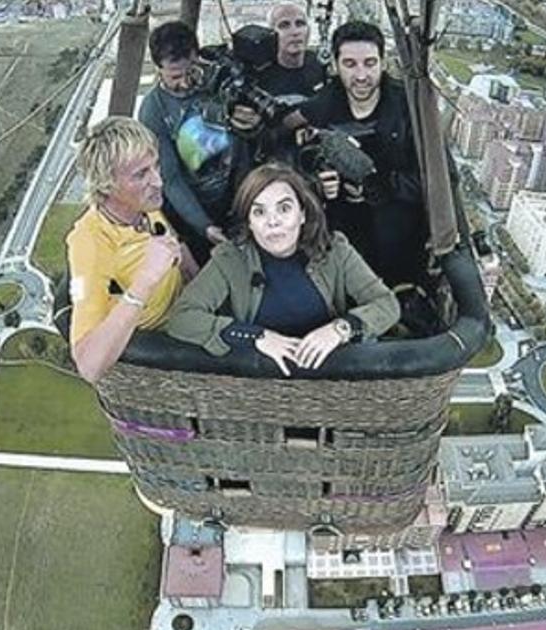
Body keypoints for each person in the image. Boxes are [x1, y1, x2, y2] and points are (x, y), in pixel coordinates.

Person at [165, 163, 399, 376]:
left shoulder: (335, 250)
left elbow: (387, 304)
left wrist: (340, 330)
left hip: (330, 377)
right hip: (262, 384)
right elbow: (182, 318)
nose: (273, 221)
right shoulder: (230, 258)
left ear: (302, 214)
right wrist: (255, 337)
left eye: (284, 209)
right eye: (259, 212)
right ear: (249, 222)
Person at [287, 20, 428, 289]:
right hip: (341, 234)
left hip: (398, 237)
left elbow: (436, 182)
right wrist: (318, 182)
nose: (361, 75)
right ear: (336, 66)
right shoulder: (323, 106)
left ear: (383, 63)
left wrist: (382, 186)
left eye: (370, 63)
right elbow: (295, 147)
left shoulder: (409, 110)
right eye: (350, 64)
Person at [65, 117, 196, 383]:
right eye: (140, 174)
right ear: (106, 185)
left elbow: (175, 247)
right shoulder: (90, 243)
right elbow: (88, 365)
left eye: (155, 166)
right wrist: (146, 279)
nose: (158, 181)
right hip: (163, 340)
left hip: (190, 307)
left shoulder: (142, 206)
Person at [138, 21, 255, 265]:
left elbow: (242, 146)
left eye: (190, 71)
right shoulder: (154, 109)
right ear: (159, 70)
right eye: (174, 76)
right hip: (190, 210)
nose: (184, 82)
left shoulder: (216, 85)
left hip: (235, 194)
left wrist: (244, 202)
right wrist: (205, 227)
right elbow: (170, 178)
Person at [257, 3, 326, 104]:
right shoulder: (260, 73)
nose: (295, 32)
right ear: (271, 34)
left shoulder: (320, 64)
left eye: (300, 24)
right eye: (284, 25)